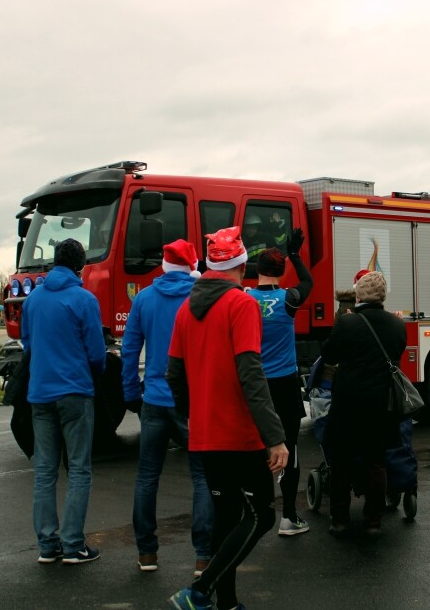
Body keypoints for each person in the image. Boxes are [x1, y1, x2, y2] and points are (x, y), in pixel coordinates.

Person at [166, 227, 288, 610]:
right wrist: (275, 436)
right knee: (262, 517)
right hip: (240, 433)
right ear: (240, 265)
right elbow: (251, 373)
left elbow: (173, 373)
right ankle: (200, 592)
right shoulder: (242, 305)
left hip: (205, 433)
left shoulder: (187, 309)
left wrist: (193, 413)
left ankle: (227, 603)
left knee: (226, 521)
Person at [121, 240, 213, 574]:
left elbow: (129, 350)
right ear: (192, 266)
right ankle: (203, 555)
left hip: (155, 400)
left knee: (147, 477)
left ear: (162, 265)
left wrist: (131, 392)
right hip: (194, 401)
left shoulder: (144, 298)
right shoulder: (201, 298)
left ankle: (147, 553)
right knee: (202, 477)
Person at [21, 238, 106, 564]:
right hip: (75, 392)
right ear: (79, 266)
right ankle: (73, 545)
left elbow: (28, 344)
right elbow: (97, 353)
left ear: (54, 262)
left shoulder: (34, 300)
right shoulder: (84, 300)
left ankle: (47, 545)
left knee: (44, 472)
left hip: (40, 394)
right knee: (79, 471)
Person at [321, 270, 407, 536]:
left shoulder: (348, 323)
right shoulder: (397, 325)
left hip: (348, 402)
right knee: (376, 462)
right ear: (382, 296)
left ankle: (339, 519)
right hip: (381, 403)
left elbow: (329, 354)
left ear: (358, 294)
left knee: (341, 461)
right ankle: (373, 521)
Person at [247, 229, 314, 536]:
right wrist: (296, 255)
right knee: (289, 449)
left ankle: (259, 514)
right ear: (281, 271)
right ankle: (288, 517)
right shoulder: (288, 299)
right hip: (285, 386)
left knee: (256, 450)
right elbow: (308, 283)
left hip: (255, 385)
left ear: (257, 270)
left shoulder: (244, 299)